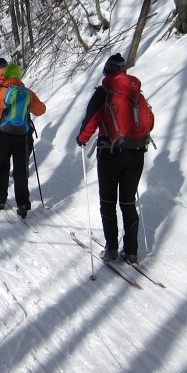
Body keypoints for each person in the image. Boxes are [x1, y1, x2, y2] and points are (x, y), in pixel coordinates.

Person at [76, 53, 146, 265]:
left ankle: (112, 248)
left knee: (108, 202)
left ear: (107, 71)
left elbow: (90, 122)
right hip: (136, 153)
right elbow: (148, 122)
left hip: (110, 154)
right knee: (128, 202)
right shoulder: (136, 93)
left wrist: (82, 139)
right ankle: (132, 251)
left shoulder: (104, 92)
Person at [0, 62, 46, 218]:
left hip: (3, 135)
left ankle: (0, 200)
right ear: (18, 76)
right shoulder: (26, 92)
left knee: (2, 167)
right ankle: (23, 203)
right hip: (23, 137)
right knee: (20, 170)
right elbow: (41, 110)